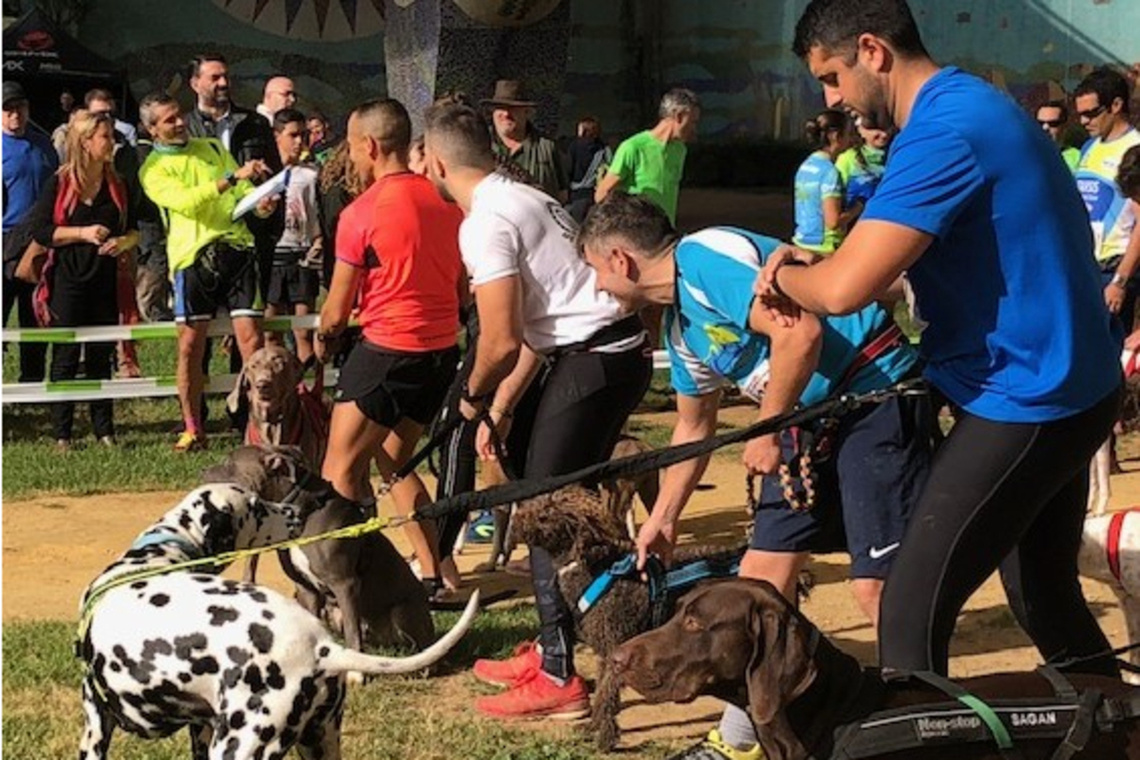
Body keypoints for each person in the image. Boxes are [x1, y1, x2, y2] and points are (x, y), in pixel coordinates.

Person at [760, 0, 1121, 685]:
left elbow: (843, 289)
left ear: (872, 50)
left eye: (831, 78)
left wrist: (784, 277)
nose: (831, 100)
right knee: (1044, 596)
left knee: (907, 611)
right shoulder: (966, 106)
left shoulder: (944, 130)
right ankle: (1114, 733)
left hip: (1032, 400)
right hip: (1063, 387)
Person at [580, 192, 933, 759]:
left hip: (872, 399)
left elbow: (802, 334)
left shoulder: (703, 260)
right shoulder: (680, 329)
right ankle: (743, 739)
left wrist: (768, 430)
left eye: (595, 271)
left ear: (620, 259)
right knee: (757, 578)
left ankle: (918, 727)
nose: (598, 286)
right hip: (802, 424)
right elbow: (693, 428)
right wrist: (663, 520)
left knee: (877, 587)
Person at [423, 100, 653, 720]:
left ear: (437, 162)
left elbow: (498, 339)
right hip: (598, 356)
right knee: (543, 501)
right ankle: (557, 644)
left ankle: (560, 674)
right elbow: (535, 331)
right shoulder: (520, 195)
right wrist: (500, 407)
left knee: (546, 514)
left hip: (595, 359)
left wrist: (470, 398)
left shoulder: (484, 222)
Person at [316, 98, 464, 596]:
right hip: (440, 352)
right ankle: (437, 572)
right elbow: (460, 288)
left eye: (354, 149)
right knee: (394, 461)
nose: (352, 160)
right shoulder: (447, 202)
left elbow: (336, 313)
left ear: (372, 147)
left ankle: (349, 581)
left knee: (338, 471)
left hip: (386, 351)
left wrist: (321, 339)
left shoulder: (361, 213)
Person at [137, 92, 276, 452]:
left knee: (254, 345)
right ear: (152, 129)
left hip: (238, 251)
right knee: (189, 348)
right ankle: (193, 427)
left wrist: (262, 203)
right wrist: (232, 179)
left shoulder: (212, 146)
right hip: (192, 260)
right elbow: (187, 201)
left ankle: (257, 429)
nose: (180, 122)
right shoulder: (152, 168)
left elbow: (242, 193)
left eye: (178, 115)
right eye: (168, 120)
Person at [26, 110, 139, 450]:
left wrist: (122, 242)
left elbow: (134, 230)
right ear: (87, 142)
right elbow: (41, 231)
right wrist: (82, 232)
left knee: (101, 355)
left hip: (105, 280)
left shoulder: (117, 184)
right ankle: (62, 433)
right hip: (67, 280)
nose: (112, 143)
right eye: (106, 137)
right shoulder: (60, 182)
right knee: (65, 356)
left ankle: (104, 430)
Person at [1074, 68, 1140, 331]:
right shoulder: (1089, 147)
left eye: (1091, 113)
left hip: (1114, 268)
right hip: (1085, 266)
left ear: (1116, 105)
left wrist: (1120, 281)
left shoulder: (1134, 148)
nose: (1083, 121)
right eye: (1079, 114)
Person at [2, 80, 56, 384]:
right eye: (7, 109)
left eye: (19, 108)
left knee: (35, 314)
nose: (14, 115)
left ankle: (32, 382)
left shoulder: (44, 144)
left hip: (39, 240)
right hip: (5, 238)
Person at [595, 87, 700, 225]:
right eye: (693, 122)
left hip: (665, 233)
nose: (694, 129)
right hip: (636, 235)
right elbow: (602, 193)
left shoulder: (680, 150)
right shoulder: (633, 147)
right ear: (679, 116)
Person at [266, 108, 321, 364]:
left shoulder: (310, 174)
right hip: (273, 255)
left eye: (304, 135)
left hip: (301, 254)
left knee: (303, 330)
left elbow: (315, 213)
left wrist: (317, 240)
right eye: (293, 135)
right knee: (271, 331)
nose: (299, 142)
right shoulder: (265, 173)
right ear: (276, 135)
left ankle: (308, 390)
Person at [482, 79, 568, 202]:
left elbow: (562, 195)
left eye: (512, 108)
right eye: (500, 107)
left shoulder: (548, 147)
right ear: (493, 112)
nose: (506, 113)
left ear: (527, 112)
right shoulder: (478, 145)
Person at [792, 109, 855, 255]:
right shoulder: (830, 172)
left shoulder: (805, 166)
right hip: (825, 248)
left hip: (802, 242)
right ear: (835, 136)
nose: (851, 139)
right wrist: (858, 207)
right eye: (848, 134)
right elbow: (833, 222)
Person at [834, 118, 890, 215]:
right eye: (876, 129)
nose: (884, 134)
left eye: (886, 129)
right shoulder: (848, 158)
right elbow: (834, 197)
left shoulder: (895, 156)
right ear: (861, 130)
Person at [564, 116, 612, 223]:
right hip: (595, 193)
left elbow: (568, 169)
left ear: (584, 130)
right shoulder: (604, 148)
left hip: (576, 193)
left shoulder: (574, 146)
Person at [1036, 99, 1081, 173]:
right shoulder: (1023, 156)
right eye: (1040, 123)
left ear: (1065, 126)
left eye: (1053, 124)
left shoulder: (1079, 158)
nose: (1045, 128)